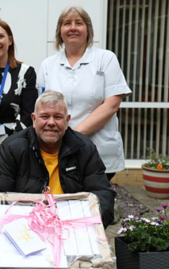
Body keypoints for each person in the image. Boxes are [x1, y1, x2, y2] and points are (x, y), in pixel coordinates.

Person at [0, 90, 116, 228]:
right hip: (23, 229)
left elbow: (103, 195)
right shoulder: (12, 148)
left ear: (67, 121)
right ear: (34, 120)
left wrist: (86, 226)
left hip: (73, 227)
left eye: (58, 117)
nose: (51, 123)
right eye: (45, 116)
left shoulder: (84, 148)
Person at [37, 6, 131, 181]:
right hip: (58, 151)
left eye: (78, 23)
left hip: (99, 150)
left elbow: (111, 105)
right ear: (60, 32)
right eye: (67, 23)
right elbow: (42, 107)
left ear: (88, 30)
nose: (73, 27)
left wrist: (72, 136)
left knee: (95, 203)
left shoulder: (106, 59)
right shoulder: (47, 65)